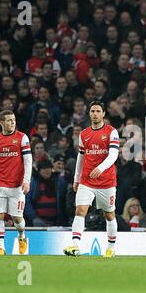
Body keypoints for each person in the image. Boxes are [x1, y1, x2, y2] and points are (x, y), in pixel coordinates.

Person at [63, 101, 120, 257]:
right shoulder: (84, 134)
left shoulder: (111, 132)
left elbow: (113, 154)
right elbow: (81, 158)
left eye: (98, 111)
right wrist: (76, 178)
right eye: (92, 111)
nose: (95, 114)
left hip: (106, 181)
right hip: (87, 181)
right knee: (80, 210)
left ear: (103, 114)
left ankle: (111, 248)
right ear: (89, 113)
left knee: (109, 215)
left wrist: (101, 168)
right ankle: (75, 245)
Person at [0, 110, 32, 255]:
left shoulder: (22, 138)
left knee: (17, 219)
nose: (12, 123)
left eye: (14, 120)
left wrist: (26, 181)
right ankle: (1, 248)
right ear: (1, 122)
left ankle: (22, 236)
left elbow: (28, 161)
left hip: (17, 186)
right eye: (9, 120)